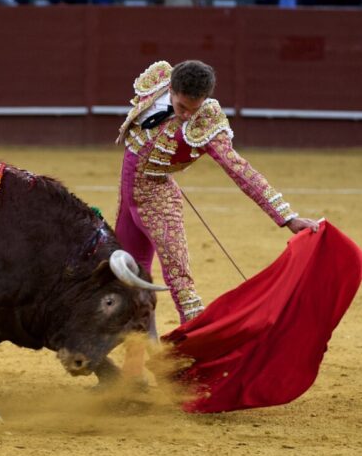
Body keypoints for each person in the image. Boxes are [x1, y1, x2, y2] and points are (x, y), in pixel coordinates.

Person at [115, 60, 319, 324]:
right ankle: (137, 355)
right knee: (125, 276)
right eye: (182, 107)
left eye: (195, 108)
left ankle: (199, 349)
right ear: (171, 90)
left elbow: (241, 170)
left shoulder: (207, 121)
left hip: (158, 201)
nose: (188, 115)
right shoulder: (157, 82)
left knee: (180, 281)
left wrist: (288, 217)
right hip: (128, 197)